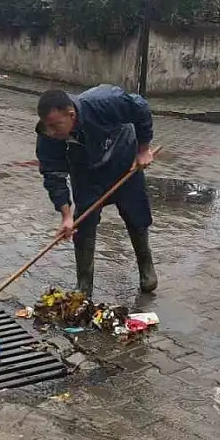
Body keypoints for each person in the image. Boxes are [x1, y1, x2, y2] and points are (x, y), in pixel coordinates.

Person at [34, 85, 156, 297]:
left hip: (123, 163)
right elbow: (53, 174)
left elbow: (140, 107)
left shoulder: (104, 102)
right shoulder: (48, 133)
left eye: (55, 126)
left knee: (136, 215)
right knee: (83, 225)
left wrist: (143, 149)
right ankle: (84, 285)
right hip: (87, 174)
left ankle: (146, 267)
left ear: (71, 115)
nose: (51, 132)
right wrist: (66, 215)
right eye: (48, 126)